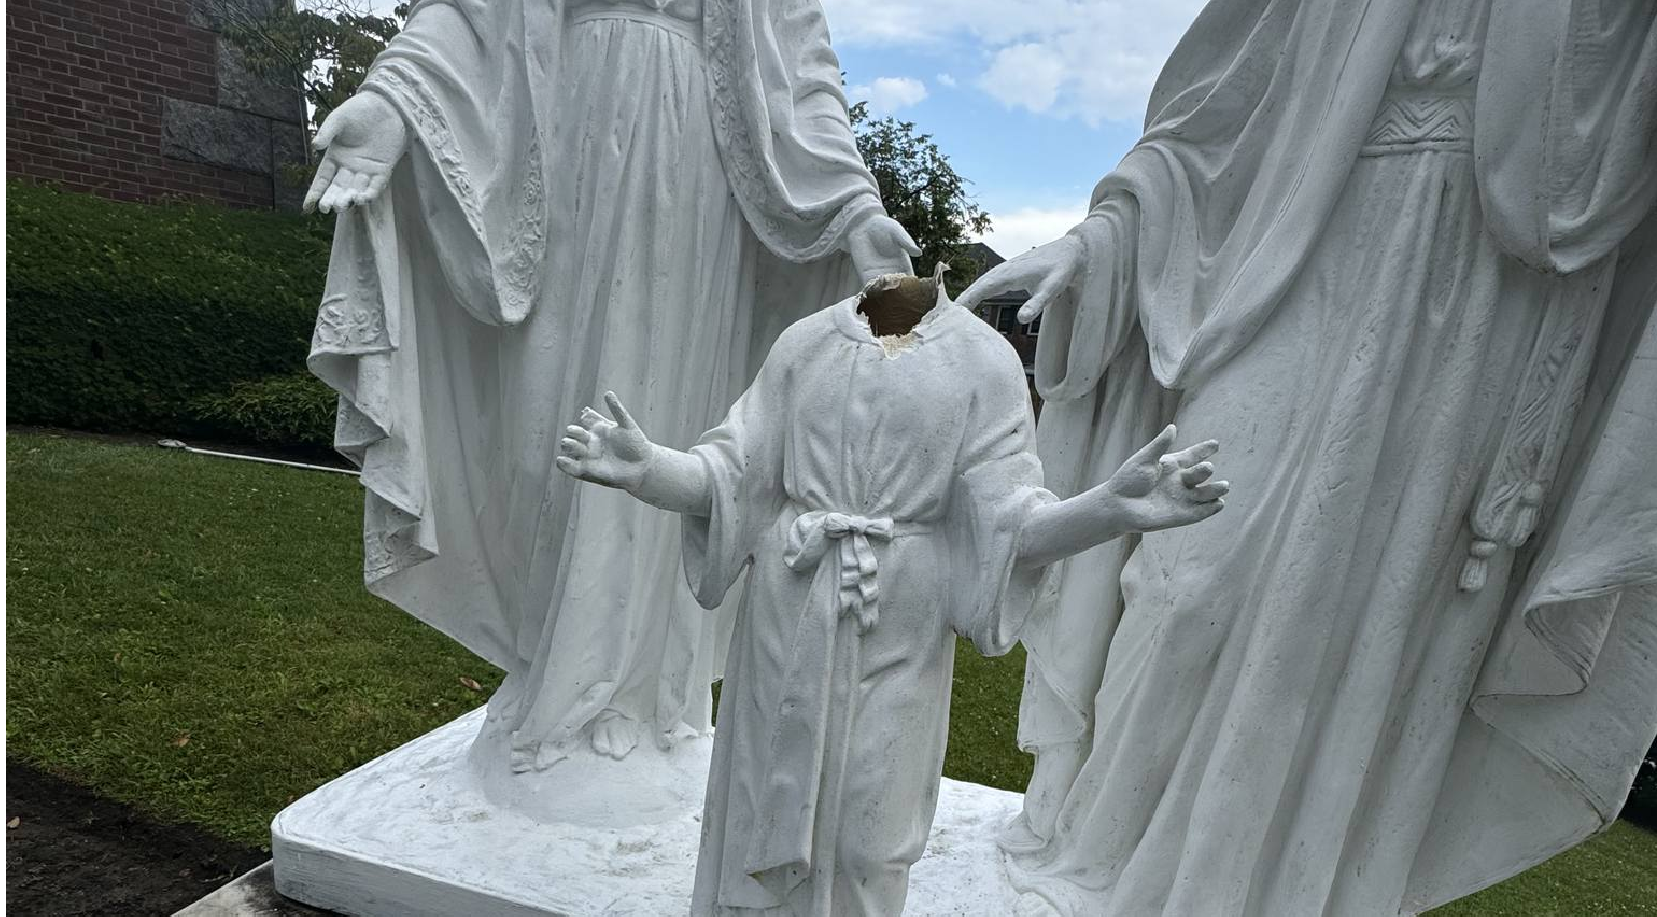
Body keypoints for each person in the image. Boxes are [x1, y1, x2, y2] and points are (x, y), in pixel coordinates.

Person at [957, 1, 1657, 914]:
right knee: (1182, 580)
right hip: (1302, 244)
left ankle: (1276, 886)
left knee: (1372, 611)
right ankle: (1097, 839)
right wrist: (1103, 236)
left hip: (1494, 287)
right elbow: (1219, 115)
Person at [302, 0, 919, 772]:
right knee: (544, 426)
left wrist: (855, 206)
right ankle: (549, 676)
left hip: (706, 168)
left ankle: (647, 695)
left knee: (675, 418)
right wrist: (395, 95)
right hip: (564, 141)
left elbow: (803, 69)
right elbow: (470, 8)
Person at [556, 269, 1230, 916]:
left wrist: (1107, 509)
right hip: (789, 603)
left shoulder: (982, 360)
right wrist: (650, 470)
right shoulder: (804, 343)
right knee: (760, 801)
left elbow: (1009, 520)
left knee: (870, 836)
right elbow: (735, 471)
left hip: (901, 612)